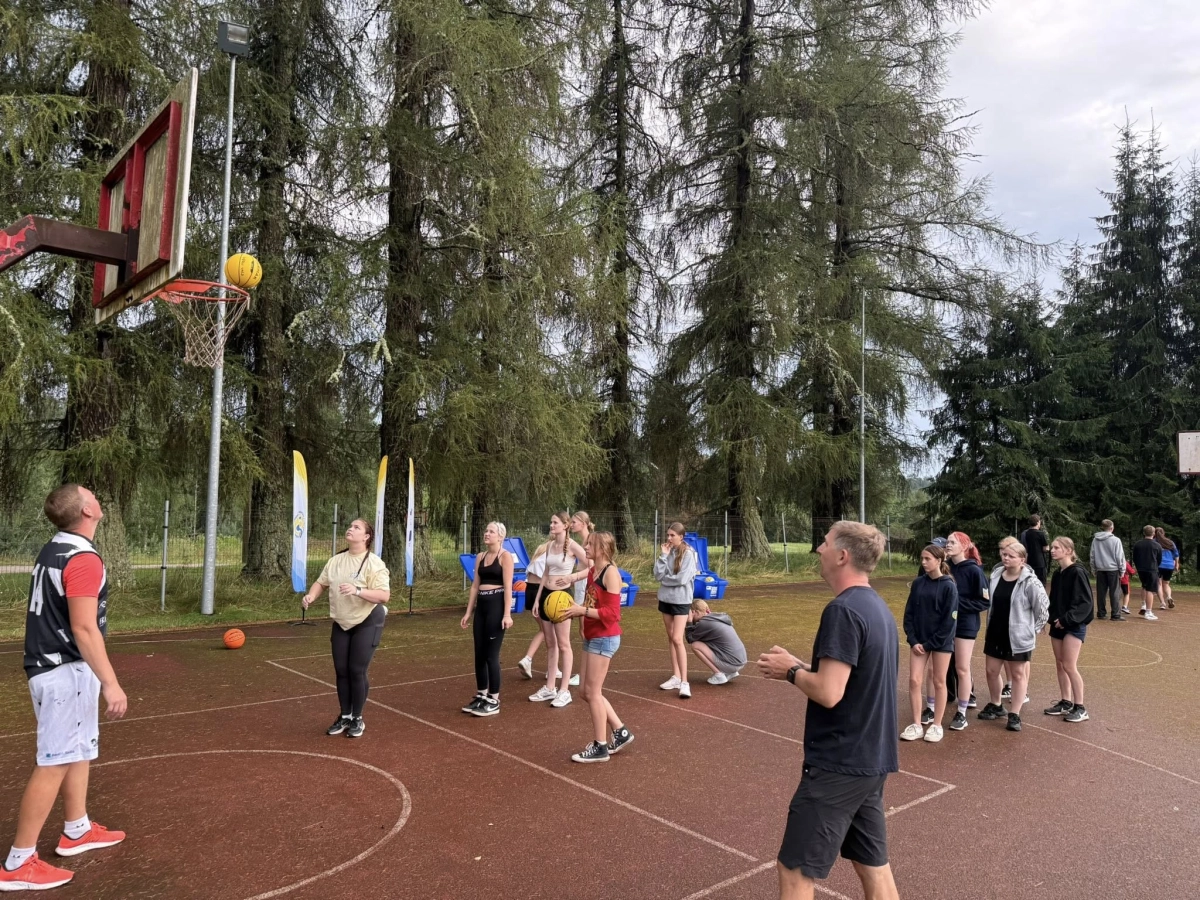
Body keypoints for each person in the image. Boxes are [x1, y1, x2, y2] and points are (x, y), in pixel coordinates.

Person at [757, 522, 900, 900]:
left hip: (840, 764)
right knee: (873, 867)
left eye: (824, 543)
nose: (819, 549)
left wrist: (790, 672)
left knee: (794, 871)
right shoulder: (877, 608)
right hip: (870, 759)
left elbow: (829, 692)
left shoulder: (843, 611)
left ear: (842, 556)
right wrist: (800, 665)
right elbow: (850, 680)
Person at [1, 485, 128, 892]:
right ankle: (18, 862)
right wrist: (111, 683)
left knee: (78, 750)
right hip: (63, 670)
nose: (98, 497)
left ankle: (77, 829)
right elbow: (84, 628)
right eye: (93, 495)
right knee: (54, 760)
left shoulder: (55, 547)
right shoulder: (82, 558)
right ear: (88, 509)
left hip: (56, 667)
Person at [302, 518, 391, 738]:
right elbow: (321, 582)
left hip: (368, 620)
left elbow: (384, 596)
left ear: (366, 537)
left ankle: (357, 718)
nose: (350, 529)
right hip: (342, 622)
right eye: (350, 526)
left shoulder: (374, 563)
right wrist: (311, 596)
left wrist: (357, 590)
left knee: (356, 670)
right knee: (341, 670)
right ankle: (345, 715)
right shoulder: (336, 561)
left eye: (356, 527)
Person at [550, 532, 634, 763]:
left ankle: (600, 746)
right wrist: (576, 611)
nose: (585, 547)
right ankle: (620, 731)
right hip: (593, 635)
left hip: (605, 637)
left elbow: (612, 614)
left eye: (590, 544)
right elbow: (590, 602)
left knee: (593, 693)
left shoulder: (611, 573)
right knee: (584, 692)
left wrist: (582, 611)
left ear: (603, 549)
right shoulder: (592, 571)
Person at [978, 541, 1048, 732]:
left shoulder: (1030, 582)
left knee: (1018, 675)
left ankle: (1015, 713)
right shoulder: (996, 575)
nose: (1006, 558)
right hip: (995, 632)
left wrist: (1032, 630)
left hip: (1018, 637)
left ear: (1022, 560)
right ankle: (996, 704)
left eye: (1011, 556)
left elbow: (1043, 608)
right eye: (1004, 555)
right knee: (991, 671)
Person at [522, 512, 587, 708]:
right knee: (551, 644)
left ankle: (564, 690)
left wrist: (573, 577)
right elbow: (545, 573)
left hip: (562, 598)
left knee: (564, 644)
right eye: (551, 522)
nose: (551, 525)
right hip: (545, 597)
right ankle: (550, 688)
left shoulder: (573, 546)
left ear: (565, 525)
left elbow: (592, 567)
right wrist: (537, 600)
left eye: (555, 522)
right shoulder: (550, 546)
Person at [900, 544, 958, 743]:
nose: (923, 562)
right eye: (922, 558)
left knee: (939, 681)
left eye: (928, 559)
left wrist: (930, 644)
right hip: (919, 642)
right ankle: (917, 724)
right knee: (914, 680)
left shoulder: (949, 586)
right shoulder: (918, 583)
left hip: (940, 642)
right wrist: (914, 640)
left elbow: (949, 621)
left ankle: (936, 725)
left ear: (939, 561)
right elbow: (909, 614)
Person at [460, 522, 514, 717]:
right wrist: (468, 612)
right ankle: (481, 695)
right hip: (481, 608)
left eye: (491, 531)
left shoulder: (505, 556)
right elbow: (475, 586)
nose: (487, 534)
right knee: (479, 654)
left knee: (492, 655)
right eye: (486, 530)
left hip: (496, 607)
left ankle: (494, 699)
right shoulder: (481, 557)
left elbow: (508, 587)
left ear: (500, 537)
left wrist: (507, 614)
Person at [943, 531, 989, 731]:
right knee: (939, 667)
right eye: (947, 542)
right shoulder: (945, 567)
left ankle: (961, 712)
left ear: (964, 546)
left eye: (952, 542)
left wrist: (956, 604)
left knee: (961, 667)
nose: (948, 545)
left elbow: (984, 602)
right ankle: (932, 707)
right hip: (945, 625)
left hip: (965, 625)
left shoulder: (974, 571)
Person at [1044, 537, 1093, 723]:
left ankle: (1080, 707)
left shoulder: (1078, 572)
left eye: (1057, 547)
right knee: (1060, 663)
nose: (1052, 550)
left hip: (1073, 625)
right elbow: (1054, 600)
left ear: (1068, 551)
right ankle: (1066, 702)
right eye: (1052, 547)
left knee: (1069, 665)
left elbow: (1085, 603)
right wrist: (1049, 618)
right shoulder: (1058, 574)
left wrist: (1066, 620)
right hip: (1058, 624)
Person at [654, 522, 699, 699]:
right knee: (670, 638)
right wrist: (663, 556)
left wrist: (665, 581)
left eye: (672, 535)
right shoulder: (668, 552)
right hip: (666, 599)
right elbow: (657, 574)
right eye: (668, 535)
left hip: (681, 601)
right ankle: (676, 676)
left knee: (677, 639)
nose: (669, 538)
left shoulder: (689, 554)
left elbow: (682, 579)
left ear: (681, 536)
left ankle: (685, 683)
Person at [685, 599, 747, 685]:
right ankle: (729, 672)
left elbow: (690, 638)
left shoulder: (704, 623)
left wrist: (689, 621)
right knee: (706, 641)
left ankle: (719, 675)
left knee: (695, 645)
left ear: (695, 612)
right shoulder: (717, 618)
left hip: (733, 664)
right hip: (740, 661)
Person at [1089, 520, 1126, 620]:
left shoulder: (1095, 540)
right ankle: (1115, 614)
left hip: (1100, 569)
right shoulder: (1116, 540)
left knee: (1101, 592)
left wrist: (1093, 568)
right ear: (1112, 528)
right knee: (1114, 592)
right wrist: (1122, 570)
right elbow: (1120, 556)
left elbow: (1092, 555)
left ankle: (1101, 613)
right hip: (1113, 569)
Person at [1131, 525, 1162, 620]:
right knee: (1150, 590)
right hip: (1151, 569)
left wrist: (1138, 566)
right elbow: (1159, 559)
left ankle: (1144, 604)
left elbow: (1134, 557)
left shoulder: (1138, 544)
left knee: (1144, 586)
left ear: (1144, 533)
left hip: (1141, 569)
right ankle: (1148, 612)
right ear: (1154, 533)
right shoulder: (1157, 545)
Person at [1019, 515, 1049, 584]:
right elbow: (1046, 548)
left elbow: (1023, 548)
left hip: (1027, 562)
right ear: (1038, 522)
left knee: (1028, 582)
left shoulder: (1024, 534)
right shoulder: (1041, 534)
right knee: (1041, 582)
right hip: (1040, 562)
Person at [1154, 527, 1177, 610]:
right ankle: (1169, 597)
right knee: (1166, 584)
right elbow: (1176, 555)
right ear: (1163, 533)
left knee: (1159, 584)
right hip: (1169, 565)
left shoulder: (1154, 542)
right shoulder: (1170, 542)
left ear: (1154, 533)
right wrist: (1176, 565)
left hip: (1159, 565)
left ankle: (1162, 603)